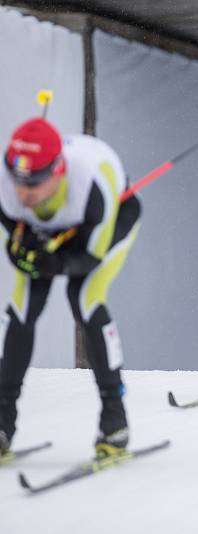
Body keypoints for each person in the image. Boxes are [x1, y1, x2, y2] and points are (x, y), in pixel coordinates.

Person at [0, 117, 141, 457]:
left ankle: (114, 418)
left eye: (33, 182)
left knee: (84, 298)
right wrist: (26, 255)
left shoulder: (94, 183)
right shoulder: (8, 189)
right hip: (45, 232)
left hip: (107, 223)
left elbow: (91, 255)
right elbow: (13, 245)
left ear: (58, 170)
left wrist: (59, 263)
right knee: (23, 307)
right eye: (17, 180)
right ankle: (3, 421)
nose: (23, 192)